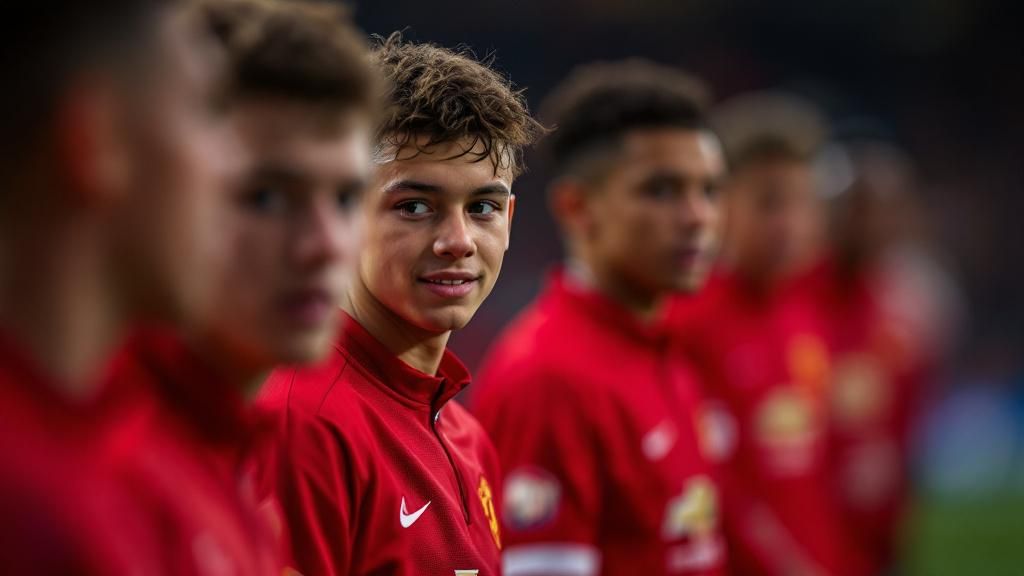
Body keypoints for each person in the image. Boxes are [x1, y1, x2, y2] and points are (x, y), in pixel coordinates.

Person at [109, 0, 387, 573]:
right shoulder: (96, 475)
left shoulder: (239, 453)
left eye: (345, 198)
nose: (325, 245)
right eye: (266, 197)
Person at [257, 33, 544, 575]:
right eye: (415, 206)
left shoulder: (468, 437)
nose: (458, 241)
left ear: (509, 220)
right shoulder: (302, 424)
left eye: (482, 207)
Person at [0, 0, 235, 570]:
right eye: (206, 113)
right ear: (98, 139)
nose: (235, 170)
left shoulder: (153, 450)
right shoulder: (27, 514)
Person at [472, 60, 728, 576]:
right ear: (577, 208)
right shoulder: (550, 380)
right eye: (661, 190)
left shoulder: (662, 348)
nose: (698, 216)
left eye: (709, 190)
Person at [676, 92, 854, 576]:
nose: (789, 224)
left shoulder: (808, 307)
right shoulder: (690, 322)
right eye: (770, 203)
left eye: (803, 203)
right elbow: (712, 486)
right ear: (720, 203)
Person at [809, 137, 929, 574]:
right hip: (812, 541)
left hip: (876, 543)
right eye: (862, 208)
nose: (876, 224)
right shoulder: (798, 305)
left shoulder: (903, 313)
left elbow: (906, 432)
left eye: (889, 210)